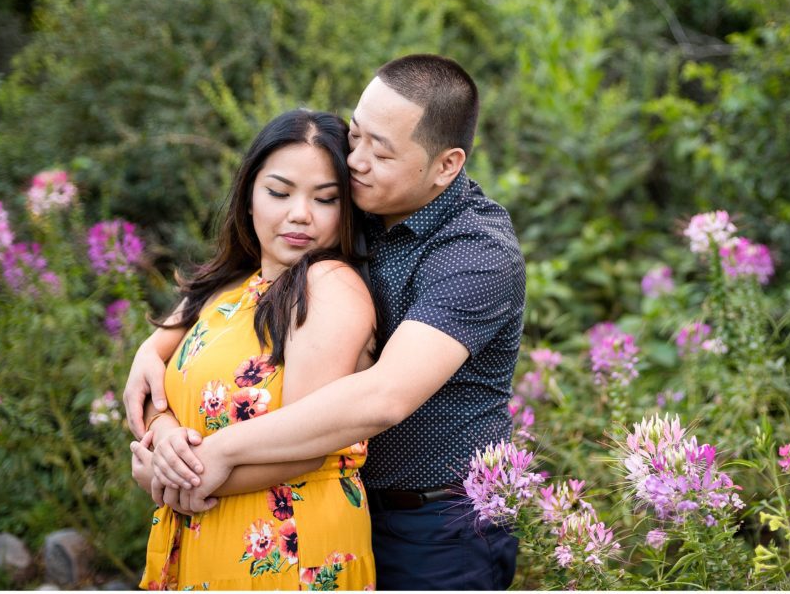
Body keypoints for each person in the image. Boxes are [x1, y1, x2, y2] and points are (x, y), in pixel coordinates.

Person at [125, 54, 527, 590]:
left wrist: (212, 457)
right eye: (355, 136)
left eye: (379, 152)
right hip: (341, 500)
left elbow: (383, 396)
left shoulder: (476, 254)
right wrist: (156, 349)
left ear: (446, 165)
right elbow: (254, 266)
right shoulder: (363, 199)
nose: (355, 160)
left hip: (437, 525)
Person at [128, 109, 377, 590]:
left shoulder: (330, 286)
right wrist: (163, 438)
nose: (299, 213)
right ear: (248, 198)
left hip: (291, 546)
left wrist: (172, 483)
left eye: (325, 199)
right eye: (279, 193)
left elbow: (308, 443)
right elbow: (156, 392)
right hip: (210, 535)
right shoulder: (228, 292)